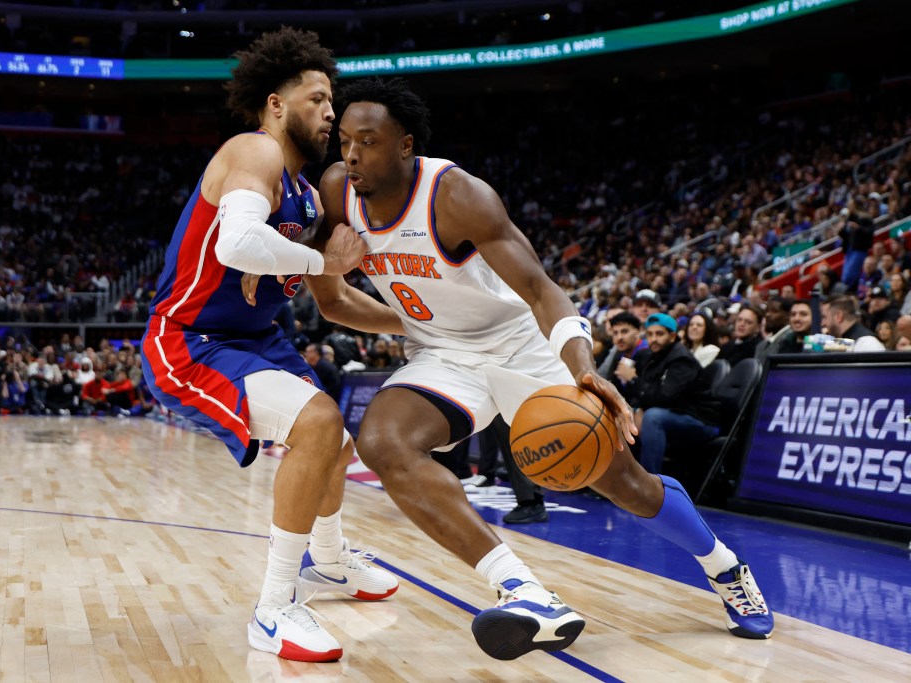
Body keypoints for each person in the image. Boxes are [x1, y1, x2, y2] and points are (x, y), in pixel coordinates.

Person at [317, 78, 773, 660]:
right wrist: (389, 307)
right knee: (383, 443)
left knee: (623, 485)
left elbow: (539, 288)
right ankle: (525, 591)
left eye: (368, 141)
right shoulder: (337, 191)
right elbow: (332, 303)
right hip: (443, 355)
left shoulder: (456, 195)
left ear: (405, 145)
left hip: (521, 343)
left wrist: (583, 367)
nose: (352, 154)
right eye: (345, 142)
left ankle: (724, 566)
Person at [140, 28, 399, 663]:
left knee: (334, 440)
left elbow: (333, 300)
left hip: (256, 338)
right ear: (277, 105)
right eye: (317, 98)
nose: (331, 112)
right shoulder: (252, 151)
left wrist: (411, 327)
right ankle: (275, 608)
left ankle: (332, 561)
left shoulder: (308, 196)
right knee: (319, 421)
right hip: (190, 339)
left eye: (332, 101)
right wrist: (319, 255)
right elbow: (235, 244)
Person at [617, 314, 721, 474]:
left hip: (700, 419)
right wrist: (636, 409)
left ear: (672, 336)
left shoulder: (682, 360)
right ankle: (619, 477)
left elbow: (664, 397)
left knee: (653, 417)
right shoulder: (651, 356)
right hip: (675, 413)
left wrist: (633, 379)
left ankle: (649, 484)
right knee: (623, 412)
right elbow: (640, 394)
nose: (653, 339)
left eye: (659, 334)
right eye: (650, 334)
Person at [820, 294, 885, 351]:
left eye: (824, 317)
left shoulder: (867, 344)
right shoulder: (841, 342)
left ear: (839, 316)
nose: (822, 323)